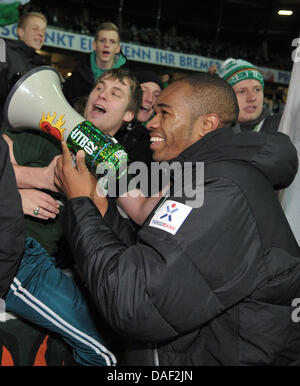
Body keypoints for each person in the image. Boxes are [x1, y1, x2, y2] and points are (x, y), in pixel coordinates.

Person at [55, 72, 300, 366]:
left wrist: (81, 203)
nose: (151, 123)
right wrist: (99, 209)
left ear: (205, 125)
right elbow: (150, 257)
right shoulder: (206, 177)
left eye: (165, 113)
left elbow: (135, 302)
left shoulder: (221, 190)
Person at [0, 67, 143, 367]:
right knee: (103, 351)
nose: (102, 93)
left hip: (50, 261)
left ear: (130, 115)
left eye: (115, 93)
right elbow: (4, 159)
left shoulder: (121, 167)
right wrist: (23, 190)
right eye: (100, 86)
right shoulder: (50, 133)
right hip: (20, 255)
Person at [0, 11, 47, 128]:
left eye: (43, 31)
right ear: (20, 32)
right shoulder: (4, 52)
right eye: (35, 29)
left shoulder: (42, 66)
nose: (40, 34)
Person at [63, 22, 127, 108]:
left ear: (118, 48)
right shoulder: (78, 74)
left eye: (112, 42)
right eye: (102, 40)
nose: (107, 45)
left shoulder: (127, 78)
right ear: (94, 45)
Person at [219, 58, 282, 132]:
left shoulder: (282, 127)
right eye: (242, 91)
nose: (252, 98)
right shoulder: (209, 135)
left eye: (257, 90)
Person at [114, 70, 163, 168]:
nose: (150, 99)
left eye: (156, 95)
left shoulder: (152, 143)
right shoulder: (107, 126)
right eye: (144, 91)